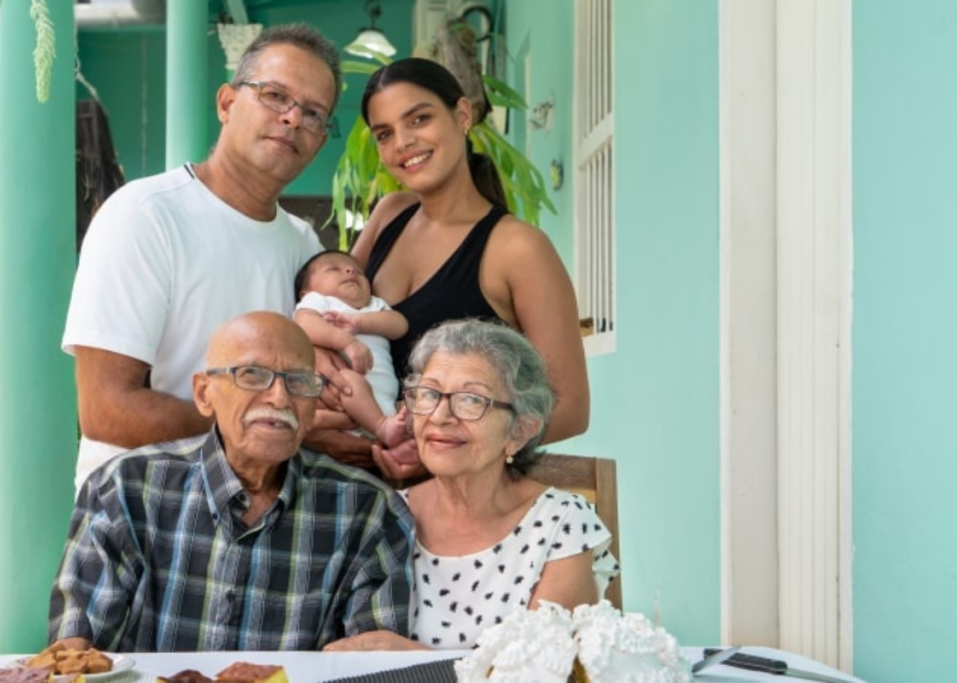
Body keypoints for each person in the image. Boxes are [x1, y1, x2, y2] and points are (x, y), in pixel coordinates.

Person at [61, 24, 368, 489]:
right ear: (227, 103)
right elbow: (106, 410)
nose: (292, 119)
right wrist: (283, 435)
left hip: (259, 519)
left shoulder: (305, 247)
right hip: (142, 514)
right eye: (274, 96)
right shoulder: (146, 215)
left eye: (313, 113)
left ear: (322, 139)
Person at [48, 312, 414, 652]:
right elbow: (77, 657)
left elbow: (371, 663)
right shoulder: (125, 490)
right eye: (252, 374)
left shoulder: (368, 511)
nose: (279, 397)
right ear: (204, 394)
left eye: (300, 381)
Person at [348, 58, 590, 479]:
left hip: (464, 500)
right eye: (384, 134)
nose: (403, 142)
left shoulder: (517, 248)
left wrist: (435, 451)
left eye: (419, 119)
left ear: (462, 115)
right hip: (368, 487)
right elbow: (333, 308)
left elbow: (569, 408)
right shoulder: (390, 215)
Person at [324, 319, 618, 652]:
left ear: (520, 430)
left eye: (472, 400)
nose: (440, 416)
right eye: (429, 394)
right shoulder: (384, 515)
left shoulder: (561, 524)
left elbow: (546, 669)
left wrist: (421, 664)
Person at [293, 250, 411, 452]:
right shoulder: (319, 301)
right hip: (345, 394)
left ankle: (389, 439)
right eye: (333, 268)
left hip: (387, 397)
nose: (350, 271)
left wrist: (359, 322)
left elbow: (399, 325)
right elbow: (304, 324)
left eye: (358, 271)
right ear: (306, 292)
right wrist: (346, 342)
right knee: (349, 380)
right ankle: (380, 427)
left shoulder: (375, 304)